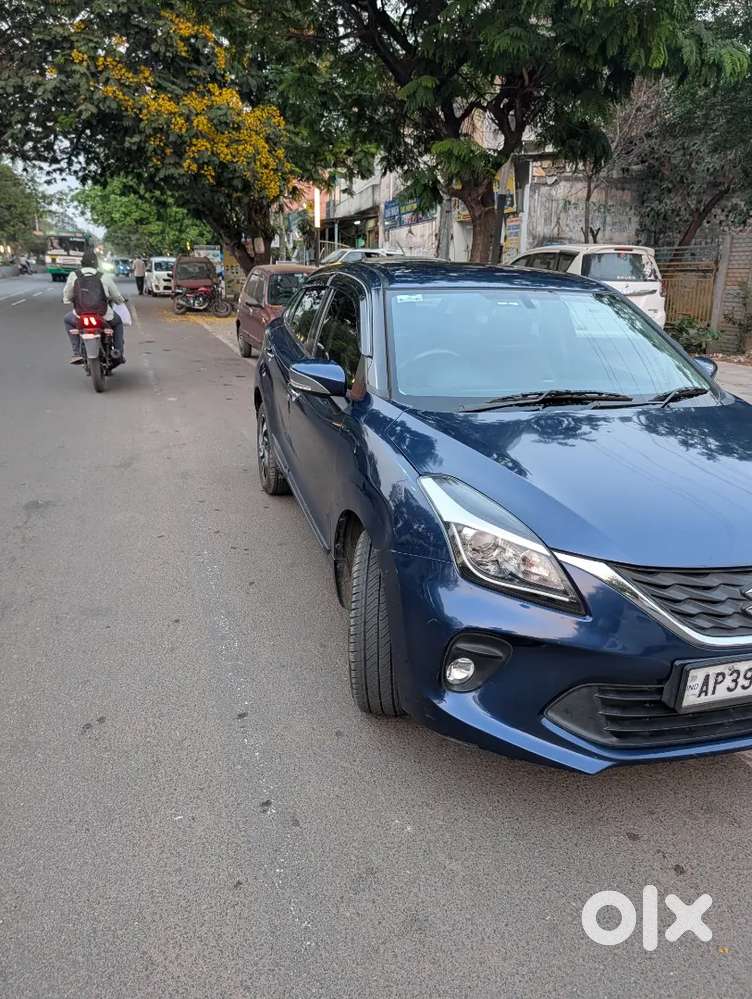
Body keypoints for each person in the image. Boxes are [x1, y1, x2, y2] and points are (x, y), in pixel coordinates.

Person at [62, 249, 126, 365]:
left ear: (82, 263)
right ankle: (118, 352)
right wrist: (120, 301)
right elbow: (116, 295)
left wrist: (68, 300)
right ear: (96, 263)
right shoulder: (103, 276)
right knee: (118, 323)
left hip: (80, 314)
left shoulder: (74, 275)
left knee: (67, 320)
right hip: (103, 315)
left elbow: (67, 295)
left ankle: (77, 353)